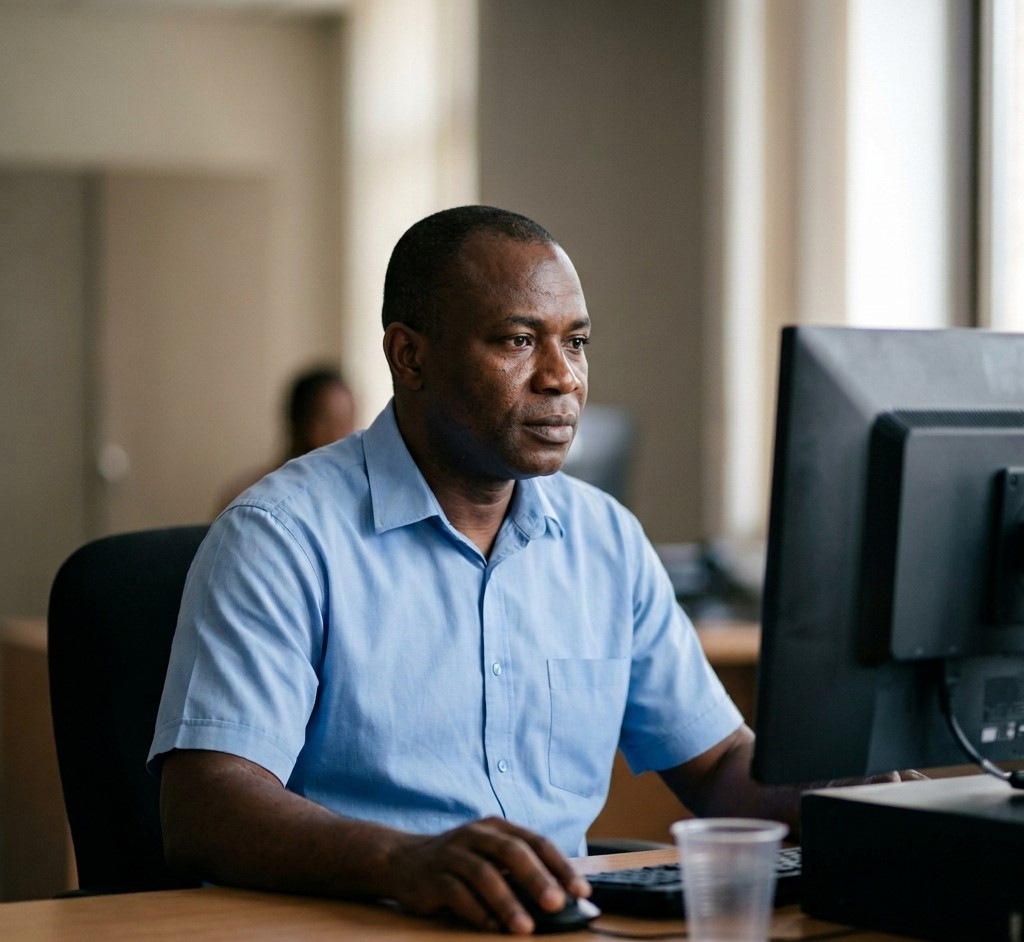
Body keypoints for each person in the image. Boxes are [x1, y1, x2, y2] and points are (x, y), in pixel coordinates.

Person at [150, 206, 911, 936]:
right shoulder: (281, 536)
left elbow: (717, 766)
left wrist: (843, 794)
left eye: (575, 342)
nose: (562, 378)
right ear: (409, 356)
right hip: (356, 924)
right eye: (518, 341)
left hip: (553, 924)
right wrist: (402, 861)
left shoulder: (606, 540)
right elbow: (207, 808)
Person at [211, 365, 356, 515]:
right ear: (299, 422)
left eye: (347, 421)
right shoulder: (249, 498)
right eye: (328, 422)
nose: (340, 434)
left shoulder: (352, 497)